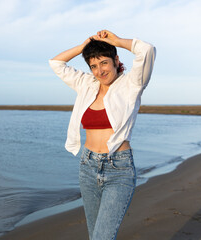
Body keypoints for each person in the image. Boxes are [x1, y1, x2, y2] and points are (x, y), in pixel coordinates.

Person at [49, 30, 156, 240]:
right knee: (94, 236)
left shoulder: (131, 84)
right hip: (87, 166)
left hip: (119, 169)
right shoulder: (87, 84)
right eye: (93, 66)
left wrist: (116, 41)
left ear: (116, 60)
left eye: (104, 63)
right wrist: (85, 46)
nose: (99, 71)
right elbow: (56, 63)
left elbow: (147, 50)